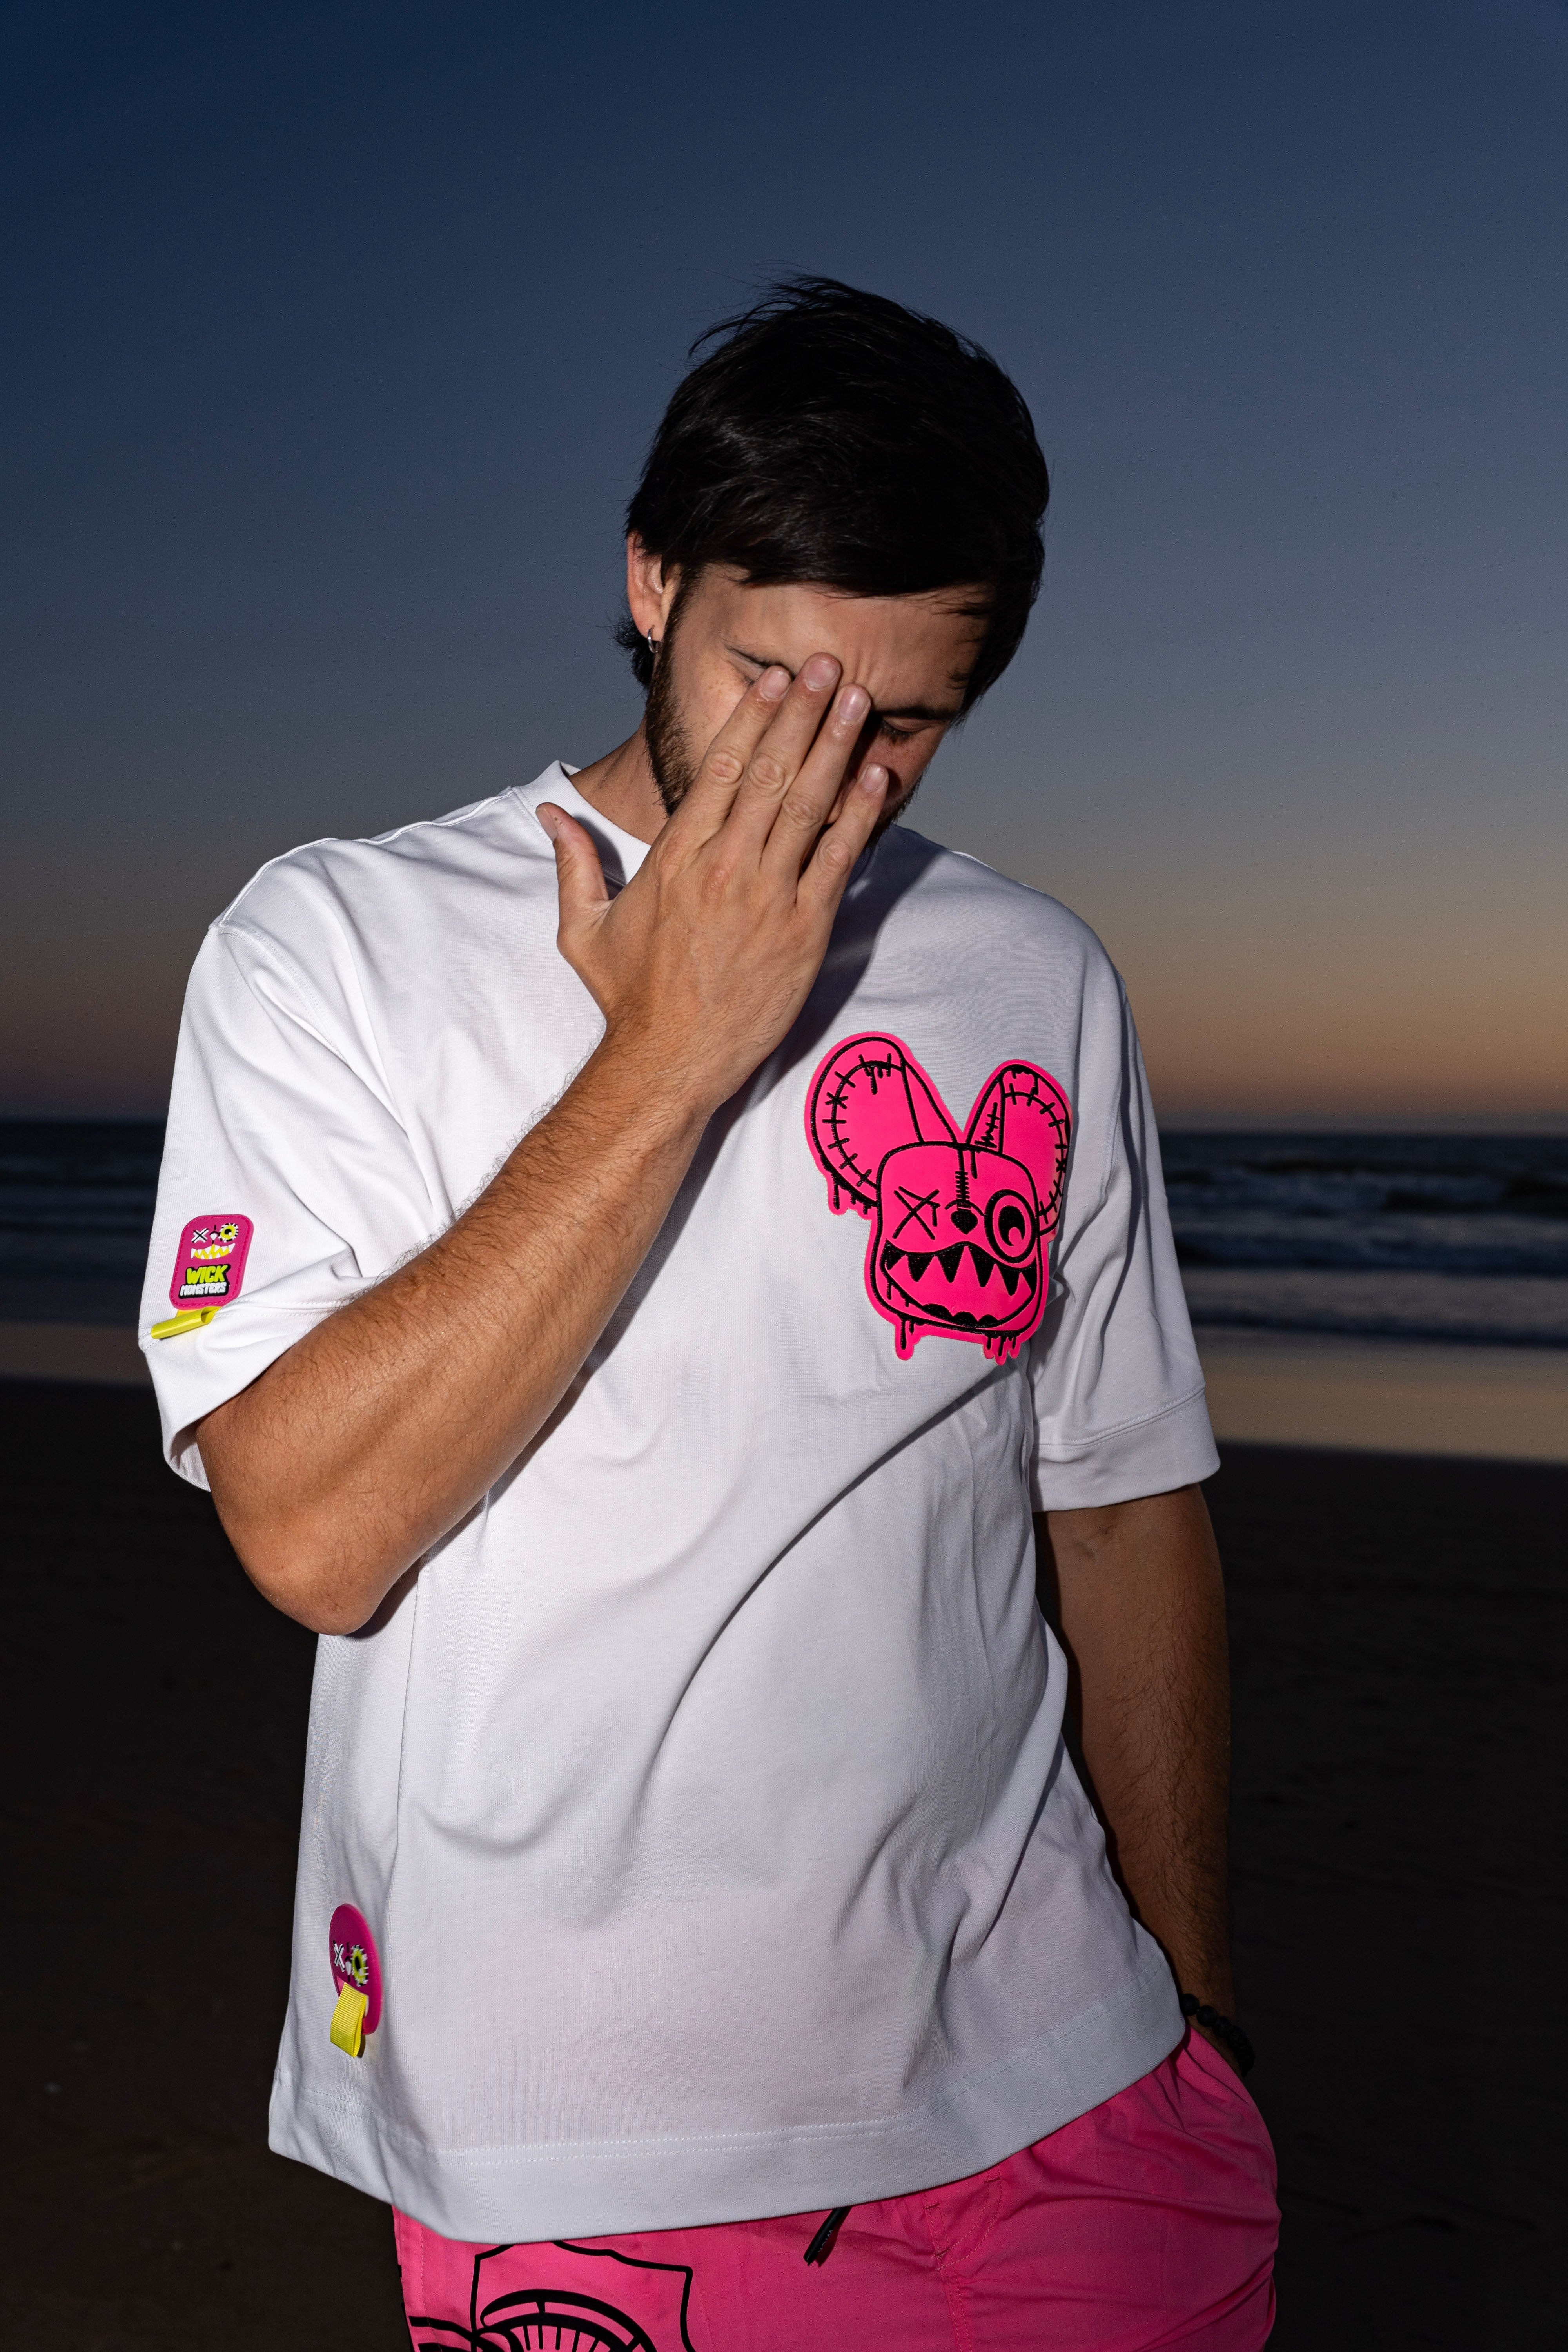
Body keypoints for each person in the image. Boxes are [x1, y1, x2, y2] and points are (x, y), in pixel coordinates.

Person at [140, 277, 1278, 2348]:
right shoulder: (334, 947)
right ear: (652, 582)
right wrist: (671, 1051)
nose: (826, 763)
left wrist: (1193, 2007)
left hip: (1080, 2088)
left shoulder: (1035, 973)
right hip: (595, 2139)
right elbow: (312, 1534)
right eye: (774, 677)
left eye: (903, 720)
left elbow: (1120, 1512)